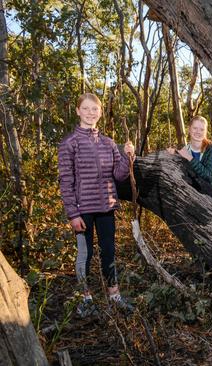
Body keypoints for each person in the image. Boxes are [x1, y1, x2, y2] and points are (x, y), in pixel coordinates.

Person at [58, 93, 135, 317]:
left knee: (109, 252)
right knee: (85, 254)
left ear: (100, 113)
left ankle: (114, 296)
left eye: (95, 109)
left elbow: (119, 176)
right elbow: (66, 181)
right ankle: (86, 298)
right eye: (86, 109)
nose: (91, 113)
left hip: (106, 208)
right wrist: (73, 213)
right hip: (83, 211)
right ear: (78, 111)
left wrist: (128, 157)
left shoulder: (108, 142)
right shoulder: (69, 144)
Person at [167, 115, 212, 207]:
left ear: (205, 131)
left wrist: (189, 158)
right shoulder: (184, 150)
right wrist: (171, 154)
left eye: (202, 129)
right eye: (195, 128)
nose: (198, 132)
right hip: (196, 197)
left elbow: (208, 175)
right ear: (189, 129)